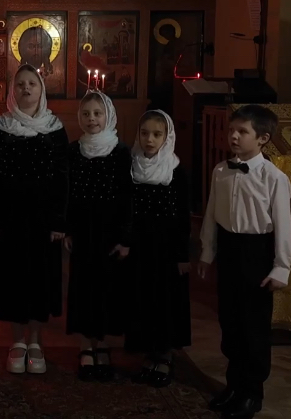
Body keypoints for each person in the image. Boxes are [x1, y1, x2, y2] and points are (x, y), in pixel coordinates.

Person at [198, 104, 291, 419]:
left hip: (256, 253)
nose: (234, 137)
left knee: (253, 326)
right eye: (231, 130)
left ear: (263, 138)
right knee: (230, 322)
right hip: (229, 249)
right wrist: (207, 252)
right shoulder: (221, 171)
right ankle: (234, 385)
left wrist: (281, 267)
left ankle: (252, 391)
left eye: (242, 132)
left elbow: (283, 226)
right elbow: (211, 214)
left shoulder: (275, 178)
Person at [0, 64, 68, 375]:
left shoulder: (55, 128)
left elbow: (63, 178)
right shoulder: (0, 127)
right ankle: (18, 341)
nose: (26, 89)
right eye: (20, 84)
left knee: (40, 278)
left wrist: (59, 221)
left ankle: (36, 340)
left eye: (31, 84)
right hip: (11, 217)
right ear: (13, 90)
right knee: (14, 279)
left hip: (43, 219)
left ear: (41, 89)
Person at [64, 91, 132, 381]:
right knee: (83, 287)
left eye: (97, 113)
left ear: (109, 116)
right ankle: (85, 346)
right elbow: (67, 194)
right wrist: (68, 229)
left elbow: (128, 197)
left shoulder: (121, 152)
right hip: (83, 231)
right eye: (86, 114)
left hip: (110, 233)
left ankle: (102, 344)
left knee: (108, 289)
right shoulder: (73, 151)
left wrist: (126, 238)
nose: (91, 119)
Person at [125, 109, 191, 387]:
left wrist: (183, 255)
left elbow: (183, 217)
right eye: (144, 133)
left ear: (167, 137)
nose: (149, 139)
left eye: (156, 134)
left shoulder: (176, 172)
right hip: (139, 248)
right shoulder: (132, 167)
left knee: (165, 302)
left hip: (166, 250)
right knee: (142, 299)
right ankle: (148, 353)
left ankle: (164, 355)